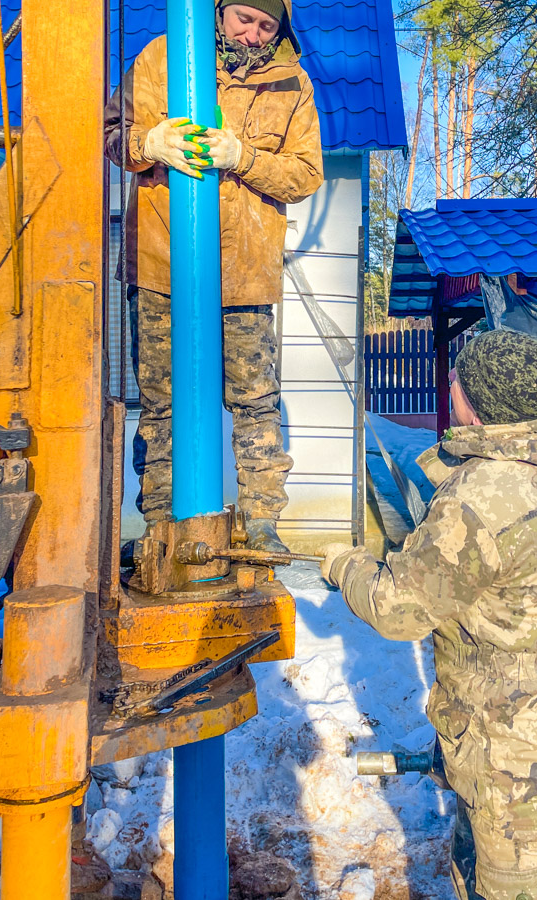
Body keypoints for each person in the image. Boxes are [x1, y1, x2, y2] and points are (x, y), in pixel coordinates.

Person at [322, 330, 537, 900]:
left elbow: (399, 611)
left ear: (480, 399)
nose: (448, 384)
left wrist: (345, 566)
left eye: (458, 378)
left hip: (513, 770)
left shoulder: (478, 501)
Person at [104, 0, 323, 553]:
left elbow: (306, 174)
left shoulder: (293, 85)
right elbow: (111, 134)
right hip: (159, 265)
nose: (253, 34)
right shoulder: (160, 58)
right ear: (220, 13)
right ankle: (159, 528)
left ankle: (260, 523)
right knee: (160, 402)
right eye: (244, 19)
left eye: (267, 26)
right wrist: (144, 144)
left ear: (280, 30)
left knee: (255, 400)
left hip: (245, 271)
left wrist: (243, 156)